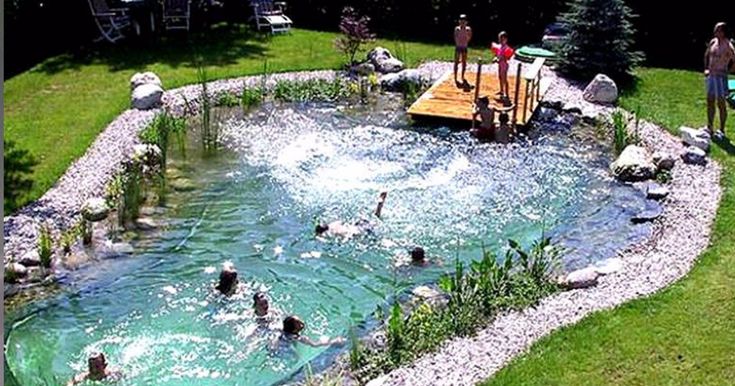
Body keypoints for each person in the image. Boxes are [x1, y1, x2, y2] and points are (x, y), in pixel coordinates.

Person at [704, 22, 735, 139]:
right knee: (710, 101)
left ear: (723, 32)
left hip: (720, 77)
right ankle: (709, 126)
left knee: (721, 103)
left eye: (717, 30)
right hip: (711, 76)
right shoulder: (713, 42)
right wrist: (706, 68)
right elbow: (706, 55)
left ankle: (721, 130)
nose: (715, 31)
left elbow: (734, 59)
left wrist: (728, 71)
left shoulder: (728, 45)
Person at [316, 192, 387, 239]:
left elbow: (345, 235)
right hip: (355, 225)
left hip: (358, 230)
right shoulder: (332, 224)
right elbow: (340, 221)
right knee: (373, 219)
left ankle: (379, 205)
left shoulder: (332, 232)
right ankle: (379, 204)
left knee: (376, 221)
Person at [279, 315, 345, 347]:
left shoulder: (284, 329)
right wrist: (334, 341)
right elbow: (315, 345)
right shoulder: (296, 337)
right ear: (294, 330)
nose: (302, 323)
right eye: (299, 323)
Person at [491, 32, 514, 99]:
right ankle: (501, 90)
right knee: (500, 77)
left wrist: (498, 59)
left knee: (504, 79)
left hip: (504, 65)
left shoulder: (506, 48)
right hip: (500, 64)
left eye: (502, 39)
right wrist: (495, 58)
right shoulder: (499, 47)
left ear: (505, 39)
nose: (500, 40)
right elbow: (498, 55)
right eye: (499, 38)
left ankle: (506, 94)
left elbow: (506, 57)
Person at [454, 14, 473, 86]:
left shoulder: (468, 29)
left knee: (464, 62)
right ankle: (455, 76)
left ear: (466, 22)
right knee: (456, 62)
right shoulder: (457, 29)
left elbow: (469, 37)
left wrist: (465, 41)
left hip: (464, 47)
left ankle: (462, 76)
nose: (462, 22)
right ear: (459, 21)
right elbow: (455, 37)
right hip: (458, 47)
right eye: (461, 21)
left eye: (464, 21)